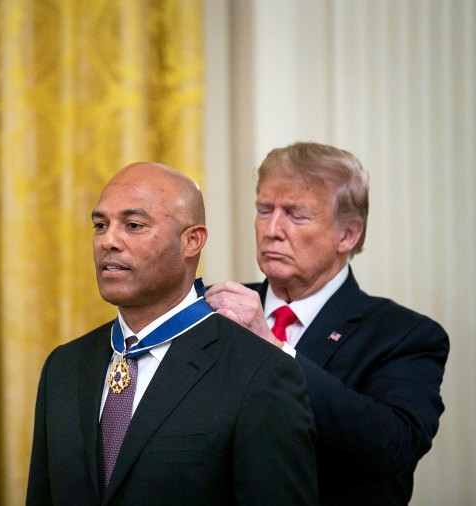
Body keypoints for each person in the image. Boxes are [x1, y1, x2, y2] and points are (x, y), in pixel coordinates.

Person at [26, 162, 318, 505]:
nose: (108, 240)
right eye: (100, 225)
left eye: (133, 225)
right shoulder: (64, 366)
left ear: (192, 241)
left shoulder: (260, 372)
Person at [204, 142, 449, 505]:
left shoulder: (404, 335)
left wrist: (275, 350)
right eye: (264, 210)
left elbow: (391, 446)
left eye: (296, 215)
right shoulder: (214, 309)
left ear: (348, 235)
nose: (272, 229)